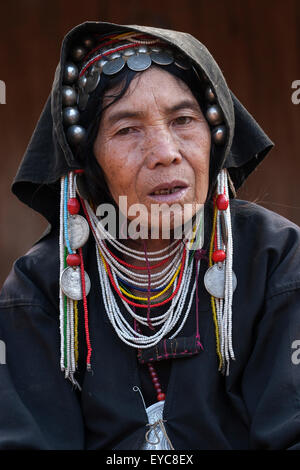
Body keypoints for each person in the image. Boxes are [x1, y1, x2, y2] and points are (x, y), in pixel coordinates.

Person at [0, 20, 300, 451]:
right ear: (89, 159)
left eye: (183, 120)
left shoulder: (275, 258)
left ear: (214, 138)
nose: (165, 152)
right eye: (127, 129)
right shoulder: (42, 287)